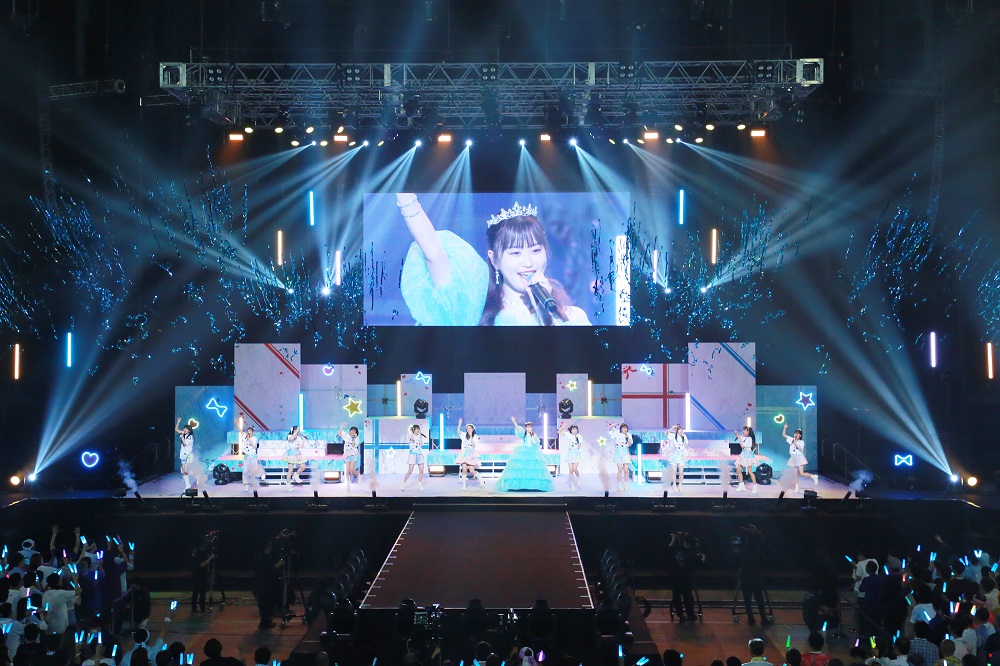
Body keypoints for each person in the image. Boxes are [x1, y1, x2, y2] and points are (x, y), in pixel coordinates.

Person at [395, 194, 591, 326]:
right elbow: (433, 253)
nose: (528, 262)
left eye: (535, 250)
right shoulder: (474, 312)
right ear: (494, 260)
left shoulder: (573, 318)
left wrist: (547, 315)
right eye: (515, 253)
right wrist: (405, 194)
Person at [496, 417, 555, 492]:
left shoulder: (534, 435)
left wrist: (532, 435)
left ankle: (533, 486)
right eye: (527, 427)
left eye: (530, 427)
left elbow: (535, 443)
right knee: (522, 468)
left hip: (532, 451)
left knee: (532, 469)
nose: (529, 428)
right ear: (526, 428)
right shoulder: (523, 434)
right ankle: (521, 485)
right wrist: (514, 422)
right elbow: (518, 429)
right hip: (524, 450)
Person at [734, 525, 770, 627]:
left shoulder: (743, 551)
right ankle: (763, 618)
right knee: (759, 598)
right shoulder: (757, 551)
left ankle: (751, 618)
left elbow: (736, 561)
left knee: (747, 598)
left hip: (745, 577)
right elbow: (764, 562)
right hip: (755, 577)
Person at [668, 532, 705, 624]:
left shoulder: (680, 550)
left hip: (678, 577)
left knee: (678, 597)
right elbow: (699, 563)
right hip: (685, 578)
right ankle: (689, 614)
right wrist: (703, 558)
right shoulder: (693, 551)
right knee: (687, 597)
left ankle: (682, 615)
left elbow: (669, 550)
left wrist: (673, 540)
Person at [251, 541, 284, 631]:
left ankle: (267, 621)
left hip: (265, 584)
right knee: (265, 605)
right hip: (264, 585)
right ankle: (264, 622)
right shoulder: (262, 558)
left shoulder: (263, 557)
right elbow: (267, 570)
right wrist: (278, 565)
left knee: (268, 604)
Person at [784, 425, 819, 491]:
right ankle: (796, 486)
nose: (796, 435)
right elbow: (784, 435)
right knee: (795, 474)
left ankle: (813, 476)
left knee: (801, 473)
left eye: (797, 434)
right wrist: (785, 428)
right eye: (795, 433)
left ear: (800, 435)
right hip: (793, 458)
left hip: (800, 458)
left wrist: (795, 443)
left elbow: (800, 449)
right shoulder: (791, 439)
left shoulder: (802, 442)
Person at [455, 419, 483, 490]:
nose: (468, 429)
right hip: (464, 453)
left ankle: (481, 480)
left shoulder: (475, 436)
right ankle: (464, 485)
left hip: (471, 453)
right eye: (467, 428)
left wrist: (471, 437)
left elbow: (474, 445)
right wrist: (460, 423)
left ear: (473, 429)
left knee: (472, 471)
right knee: (464, 469)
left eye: (470, 428)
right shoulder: (464, 435)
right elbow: (458, 431)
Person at [190, 535, 215, 614]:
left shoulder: (197, 552)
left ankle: (196, 609)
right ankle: (201, 609)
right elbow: (202, 564)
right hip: (199, 575)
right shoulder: (199, 553)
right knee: (200, 592)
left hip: (198, 575)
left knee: (197, 592)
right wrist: (210, 558)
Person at [661, 424, 689, 494]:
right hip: (675, 455)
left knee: (681, 472)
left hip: (681, 455)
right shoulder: (673, 436)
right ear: (677, 430)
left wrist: (683, 438)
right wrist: (671, 428)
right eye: (679, 430)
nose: (680, 431)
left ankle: (680, 485)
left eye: (681, 429)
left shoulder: (684, 436)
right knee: (674, 472)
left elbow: (686, 445)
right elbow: (666, 433)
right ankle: (674, 485)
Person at [402, 424, 428, 491]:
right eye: (416, 429)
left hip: (419, 454)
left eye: (418, 429)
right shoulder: (411, 436)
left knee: (421, 470)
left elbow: (421, 445)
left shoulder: (419, 437)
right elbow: (413, 439)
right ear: (413, 430)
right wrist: (413, 432)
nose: (418, 430)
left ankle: (419, 484)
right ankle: (403, 483)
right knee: (410, 470)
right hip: (412, 455)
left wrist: (420, 437)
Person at [558, 423, 583, 491]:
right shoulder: (568, 435)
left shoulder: (579, 436)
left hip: (576, 453)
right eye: (573, 429)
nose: (575, 430)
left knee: (574, 469)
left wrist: (577, 439)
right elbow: (559, 432)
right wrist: (563, 427)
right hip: (570, 453)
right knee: (570, 470)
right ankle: (572, 485)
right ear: (571, 430)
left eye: (576, 429)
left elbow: (579, 446)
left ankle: (579, 477)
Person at [733, 426, 759, 494]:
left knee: (750, 472)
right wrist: (736, 433)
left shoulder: (749, 439)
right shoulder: (743, 437)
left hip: (748, 456)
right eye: (743, 430)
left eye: (744, 430)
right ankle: (741, 485)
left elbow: (743, 446)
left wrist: (739, 438)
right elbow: (739, 436)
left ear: (748, 432)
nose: (743, 432)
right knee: (738, 470)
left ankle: (755, 487)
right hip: (743, 455)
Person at [175, 418, 196, 494]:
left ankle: (194, 474)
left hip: (189, 455)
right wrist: (178, 422)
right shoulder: (183, 434)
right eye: (184, 428)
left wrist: (182, 437)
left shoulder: (190, 437)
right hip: (183, 455)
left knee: (186, 471)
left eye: (186, 429)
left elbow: (185, 443)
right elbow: (176, 429)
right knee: (184, 472)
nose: (184, 429)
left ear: (189, 431)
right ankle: (187, 486)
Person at [339, 423, 363, 487]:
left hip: (353, 453)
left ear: (356, 433)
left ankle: (359, 476)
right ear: (350, 431)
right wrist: (343, 426)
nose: (352, 432)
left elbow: (354, 445)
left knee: (351, 469)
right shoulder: (346, 435)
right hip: (347, 453)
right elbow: (339, 433)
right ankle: (348, 483)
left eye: (354, 431)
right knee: (347, 470)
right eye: (352, 430)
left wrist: (354, 438)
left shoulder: (357, 438)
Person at [239, 423, 261, 492]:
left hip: (253, 456)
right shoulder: (245, 437)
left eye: (250, 431)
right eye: (248, 431)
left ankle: (254, 482)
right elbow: (240, 431)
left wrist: (249, 439)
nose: (249, 432)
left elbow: (253, 445)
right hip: (247, 456)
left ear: (253, 432)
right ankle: (247, 484)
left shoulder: (254, 438)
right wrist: (237, 424)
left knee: (253, 471)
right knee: (245, 471)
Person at [612, 423, 633, 492]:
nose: (625, 429)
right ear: (621, 429)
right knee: (620, 469)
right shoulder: (617, 433)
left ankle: (626, 484)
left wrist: (628, 438)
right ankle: (619, 485)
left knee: (626, 470)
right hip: (618, 452)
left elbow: (630, 444)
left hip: (625, 452)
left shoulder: (629, 435)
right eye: (623, 428)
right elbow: (611, 427)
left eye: (626, 428)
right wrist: (615, 424)